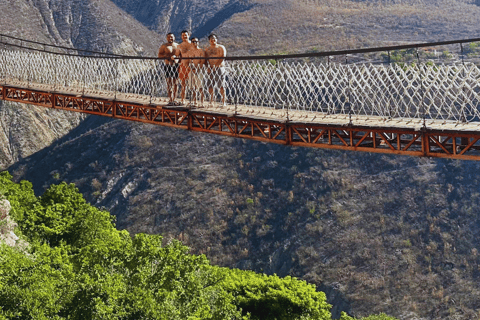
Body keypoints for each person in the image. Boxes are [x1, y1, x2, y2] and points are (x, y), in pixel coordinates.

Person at [158, 33, 181, 105]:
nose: (170, 38)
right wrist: (167, 56)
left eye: (171, 37)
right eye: (169, 37)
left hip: (176, 66)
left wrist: (177, 59)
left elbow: (181, 56)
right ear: (166, 38)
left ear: (174, 37)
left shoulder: (178, 46)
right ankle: (170, 99)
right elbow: (159, 55)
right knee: (169, 83)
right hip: (168, 65)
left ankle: (175, 98)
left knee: (176, 83)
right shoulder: (164, 46)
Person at [205, 33, 227, 106]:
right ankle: (211, 101)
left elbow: (222, 56)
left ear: (216, 39)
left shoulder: (221, 47)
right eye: (211, 39)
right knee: (210, 85)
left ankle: (223, 101)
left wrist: (216, 65)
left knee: (221, 85)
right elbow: (206, 59)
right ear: (209, 40)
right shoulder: (207, 49)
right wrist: (208, 67)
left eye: (214, 39)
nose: (213, 40)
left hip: (219, 68)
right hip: (210, 69)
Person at [185, 37, 206, 106]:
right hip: (191, 70)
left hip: (199, 71)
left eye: (196, 41)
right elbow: (187, 61)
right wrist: (190, 67)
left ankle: (202, 102)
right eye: (193, 41)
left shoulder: (201, 51)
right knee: (192, 87)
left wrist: (197, 69)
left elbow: (202, 61)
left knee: (200, 87)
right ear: (191, 43)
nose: (195, 43)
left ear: (198, 42)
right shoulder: (189, 52)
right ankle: (194, 102)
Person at [178, 30, 194, 105]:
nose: (184, 36)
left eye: (185, 35)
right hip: (183, 65)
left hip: (191, 66)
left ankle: (193, 101)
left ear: (189, 35)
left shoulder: (193, 44)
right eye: (183, 35)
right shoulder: (180, 46)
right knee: (183, 84)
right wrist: (173, 57)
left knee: (193, 84)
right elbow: (177, 55)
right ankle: (182, 99)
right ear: (181, 36)